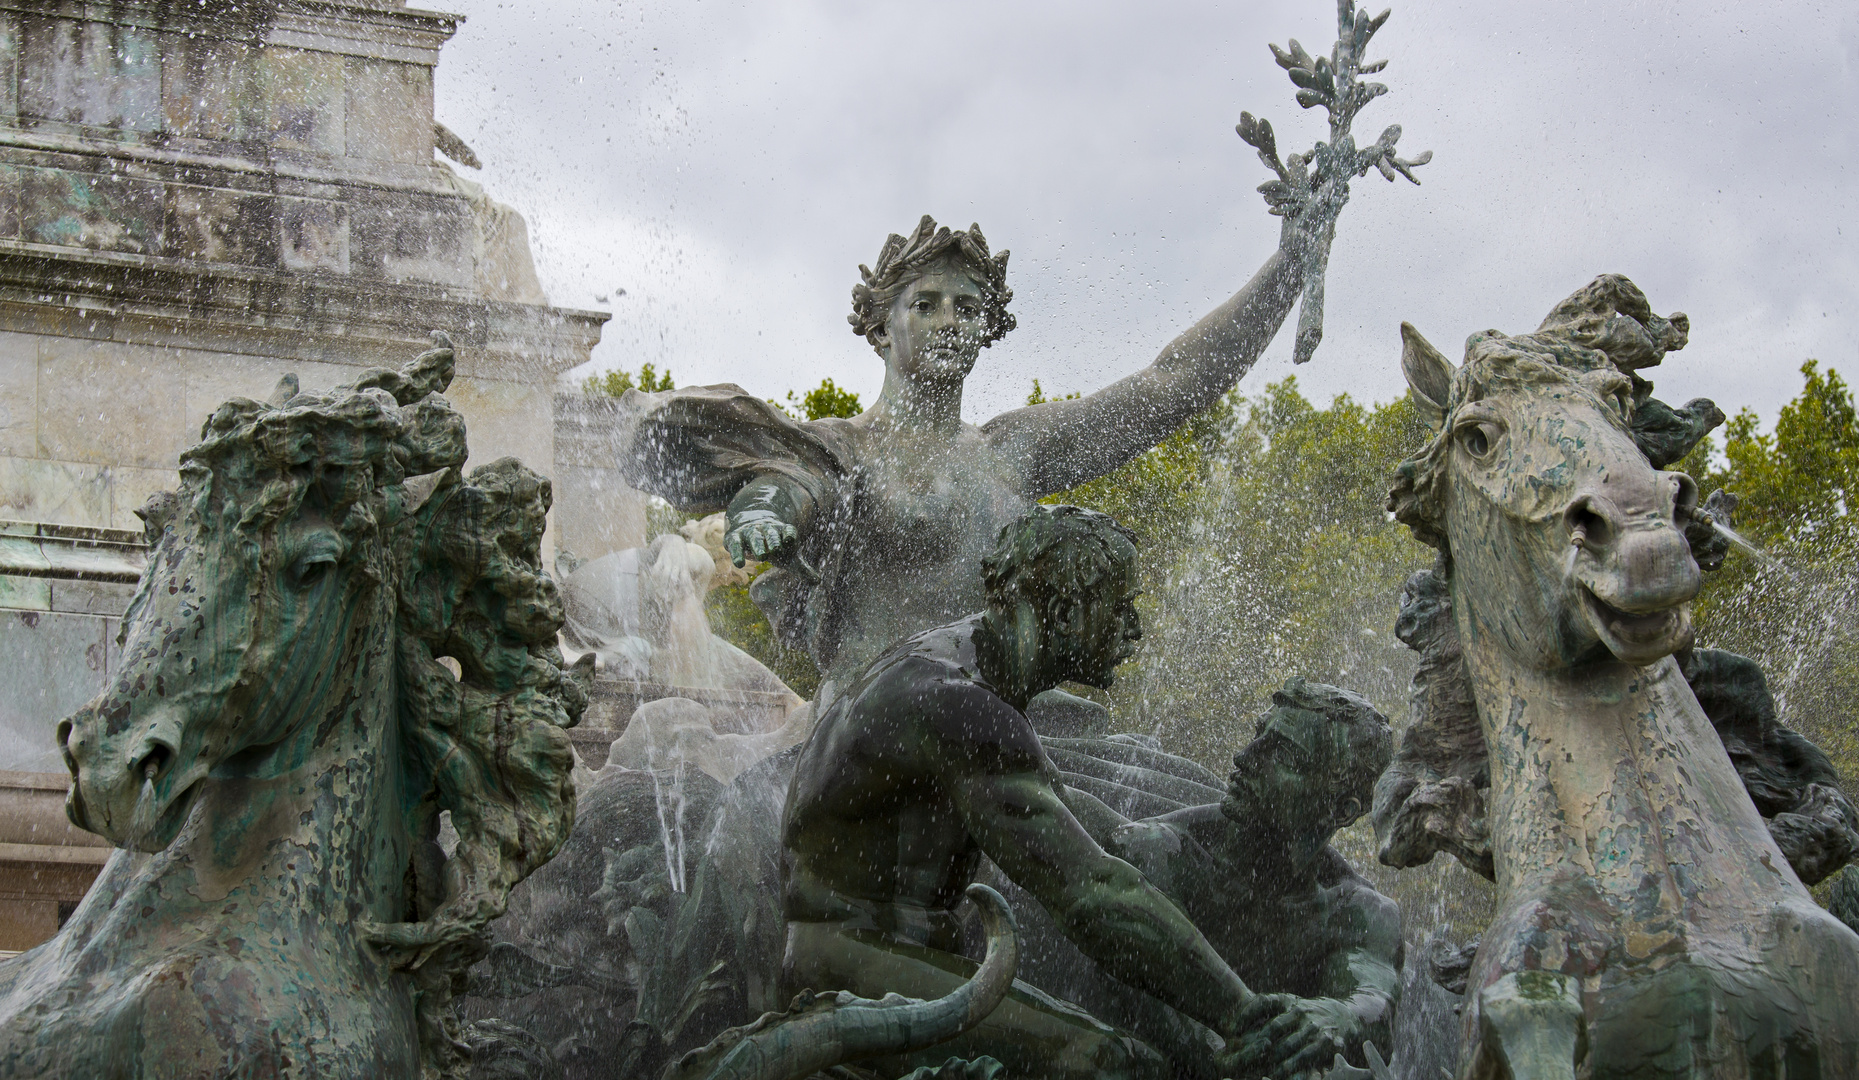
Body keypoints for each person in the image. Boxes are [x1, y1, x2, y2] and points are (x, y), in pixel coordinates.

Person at [620, 210, 1312, 698]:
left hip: (1002, 728)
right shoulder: (843, 449)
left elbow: (1171, 385)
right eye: (926, 305)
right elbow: (795, 486)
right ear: (880, 330)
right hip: (874, 732)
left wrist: (1291, 264)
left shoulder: (1014, 450)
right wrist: (768, 511)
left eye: (967, 308)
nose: (951, 321)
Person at [778, 505, 1331, 1080]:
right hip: (848, 965)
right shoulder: (962, 704)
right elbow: (1091, 893)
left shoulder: (968, 672)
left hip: (908, 953)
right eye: (1121, 609)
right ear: (1066, 613)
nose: (1135, 628)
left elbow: (1093, 836)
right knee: (1109, 1062)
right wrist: (1245, 1013)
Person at [1104, 679, 1402, 1074]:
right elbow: (1170, 1017)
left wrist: (1340, 1017)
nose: (1244, 757)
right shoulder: (1156, 853)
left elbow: (1373, 1002)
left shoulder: (1359, 912)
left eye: (1284, 755)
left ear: (1342, 811)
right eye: (1258, 735)